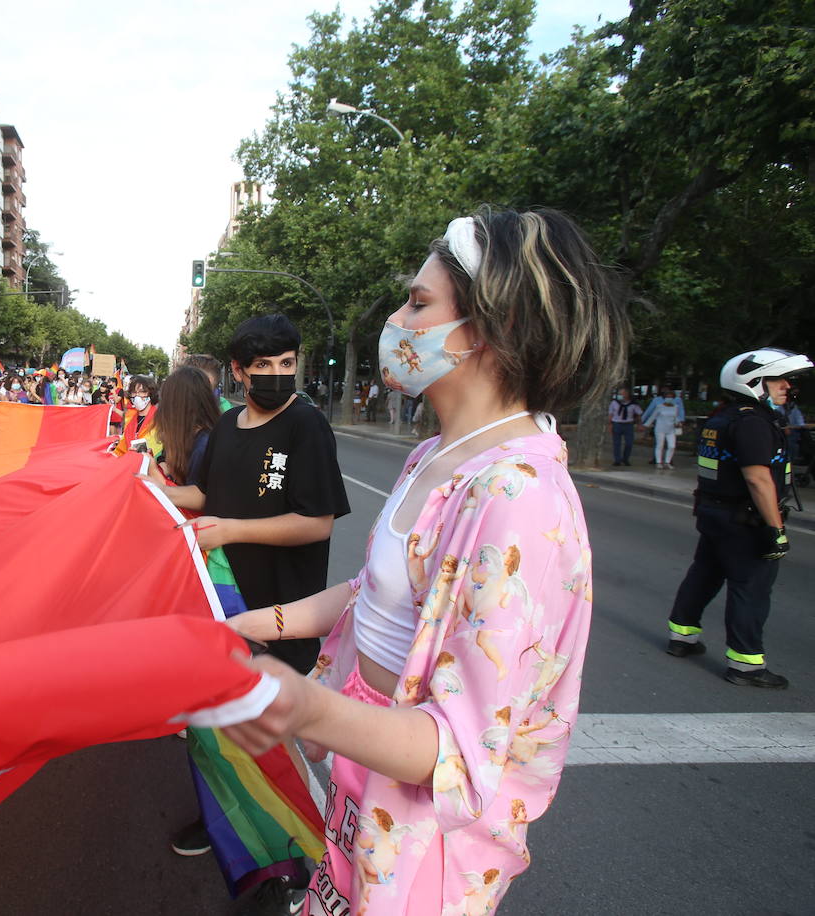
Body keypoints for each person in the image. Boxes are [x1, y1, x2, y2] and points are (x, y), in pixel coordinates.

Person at [215, 209, 628, 914]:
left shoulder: (514, 495)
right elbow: (371, 594)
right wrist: (245, 627)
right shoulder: (433, 455)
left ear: (490, 328)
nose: (398, 320)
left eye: (419, 302)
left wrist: (304, 706)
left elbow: (458, 757)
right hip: (363, 798)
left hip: (422, 849)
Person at [147, 313, 350, 875]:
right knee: (221, 733)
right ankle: (229, 826)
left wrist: (232, 529)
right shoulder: (230, 428)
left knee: (274, 745)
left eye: (288, 364)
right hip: (222, 607)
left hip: (282, 616)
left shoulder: (307, 426)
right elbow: (203, 494)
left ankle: (300, 867)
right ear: (237, 372)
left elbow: (317, 522)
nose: (278, 376)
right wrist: (149, 484)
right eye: (264, 366)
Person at [665, 348, 811, 688]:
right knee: (751, 588)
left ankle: (682, 638)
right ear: (755, 382)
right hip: (744, 519)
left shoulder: (722, 418)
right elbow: (758, 479)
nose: (787, 386)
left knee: (704, 574)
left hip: (715, 513)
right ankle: (746, 665)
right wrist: (775, 529)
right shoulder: (753, 423)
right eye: (778, 379)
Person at [153, 367, 221, 486]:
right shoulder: (182, 436)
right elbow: (166, 460)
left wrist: (155, 474)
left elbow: (195, 498)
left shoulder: (204, 446)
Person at [642, 385, 685, 469]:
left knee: (672, 446)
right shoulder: (660, 407)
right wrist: (645, 425)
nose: (669, 398)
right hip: (660, 429)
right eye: (667, 397)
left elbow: (676, 417)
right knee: (660, 445)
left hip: (671, 429)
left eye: (671, 397)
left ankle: (667, 462)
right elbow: (652, 417)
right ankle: (659, 462)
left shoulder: (675, 407)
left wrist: (679, 423)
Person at [608, 386, 643, 465]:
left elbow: (638, 414)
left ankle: (625, 458)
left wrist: (639, 424)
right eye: (620, 394)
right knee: (617, 443)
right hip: (617, 424)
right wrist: (610, 425)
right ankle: (617, 460)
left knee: (629, 443)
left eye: (622, 394)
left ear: (627, 394)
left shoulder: (633, 404)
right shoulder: (614, 403)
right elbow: (610, 414)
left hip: (628, 425)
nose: (621, 395)